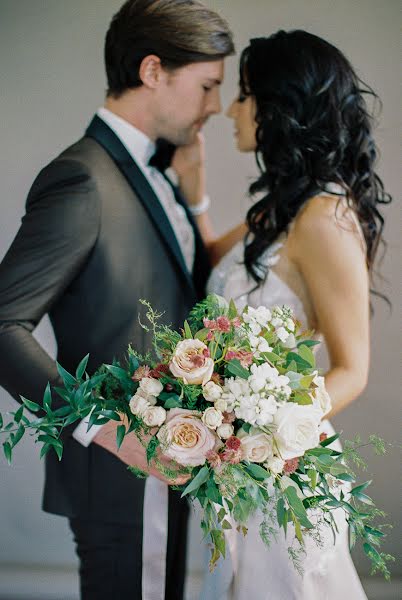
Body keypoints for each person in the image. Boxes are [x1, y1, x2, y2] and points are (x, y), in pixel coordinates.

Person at [0, 1, 234, 598]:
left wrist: (197, 199)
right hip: (117, 471)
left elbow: (179, 288)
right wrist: (106, 428)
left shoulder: (162, 171)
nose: (216, 107)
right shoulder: (82, 178)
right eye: (207, 86)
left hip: (176, 464)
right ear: (153, 70)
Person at [173, 30, 391, 599]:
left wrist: (262, 436)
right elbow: (209, 264)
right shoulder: (281, 206)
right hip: (235, 472)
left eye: (244, 96)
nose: (231, 112)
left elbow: (352, 368)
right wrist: (194, 190)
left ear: (281, 109)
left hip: (285, 471)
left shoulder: (326, 216)